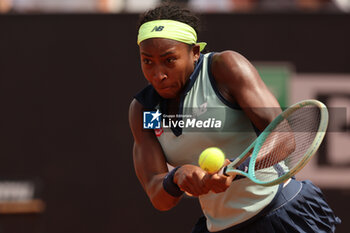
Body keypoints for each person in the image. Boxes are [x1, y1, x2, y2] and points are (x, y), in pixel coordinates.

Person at [128, 3, 341, 232]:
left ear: (195, 52)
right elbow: (158, 196)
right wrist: (177, 177)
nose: (158, 74)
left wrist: (237, 168)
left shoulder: (223, 69)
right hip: (221, 227)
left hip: (280, 213)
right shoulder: (146, 110)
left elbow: (283, 137)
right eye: (147, 61)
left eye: (170, 60)